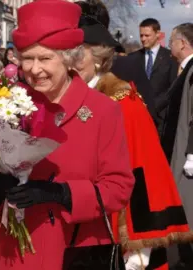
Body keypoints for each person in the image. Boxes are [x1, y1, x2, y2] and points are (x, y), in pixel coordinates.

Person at [0, 1, 134, 269]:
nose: (34, 69)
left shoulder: (103, 110)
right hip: (18, 252)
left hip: (75, 251)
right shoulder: (7, 102)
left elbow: (119, 188)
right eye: (27, 58)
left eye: (45, 58)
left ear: (68, 58)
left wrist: (61, 193)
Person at [74, 15, 193, 270]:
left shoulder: (122, 99)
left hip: (120, 227)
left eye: (76, 54)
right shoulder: (80, 95)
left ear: (95, 59)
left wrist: (142, 248)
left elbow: (144, 166)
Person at [165, 23, 193, 270]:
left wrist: (191, 153)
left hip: (186, 154)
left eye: (172, 40)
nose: (169, 45)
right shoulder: (185, 70)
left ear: (183, 43)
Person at [130, 18, 177, 136]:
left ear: (158, 34)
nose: (143, 39)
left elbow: (172, 88)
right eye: (141, 35)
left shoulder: (170, 58)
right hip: (137, 117)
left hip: (160, 118)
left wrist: (153, 107)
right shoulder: (133, 58)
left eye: (147, 35)